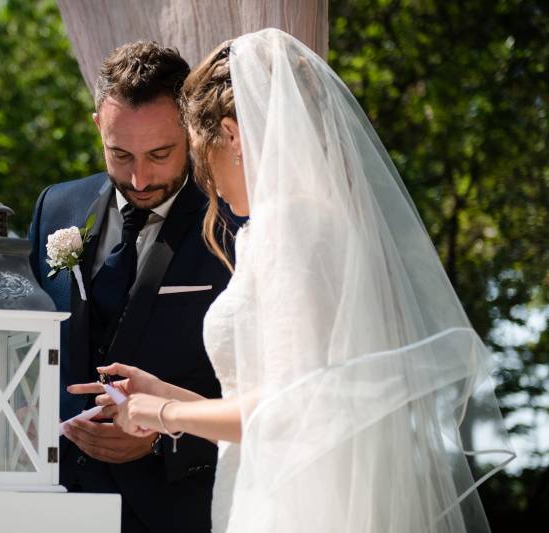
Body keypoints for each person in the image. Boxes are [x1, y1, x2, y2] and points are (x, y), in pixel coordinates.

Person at [84, 29, 515, 532]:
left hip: (292, 508)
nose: (205, 177)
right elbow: (289, 411)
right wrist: (172, 397)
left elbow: (288, 414)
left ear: (234, 136)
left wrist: (159, 413)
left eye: (199, 149)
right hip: (265, 484)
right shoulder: (297, 225)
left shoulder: (289, 228)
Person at [28, 41, 238, 533]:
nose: (139, 177)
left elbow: (259, 389)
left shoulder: (231, 219)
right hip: (54, 504)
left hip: (178, 508)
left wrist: (165, 435)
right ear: (98, 125)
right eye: (119, 154)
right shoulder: (55, 208)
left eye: (160, 154)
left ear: (190, 129)